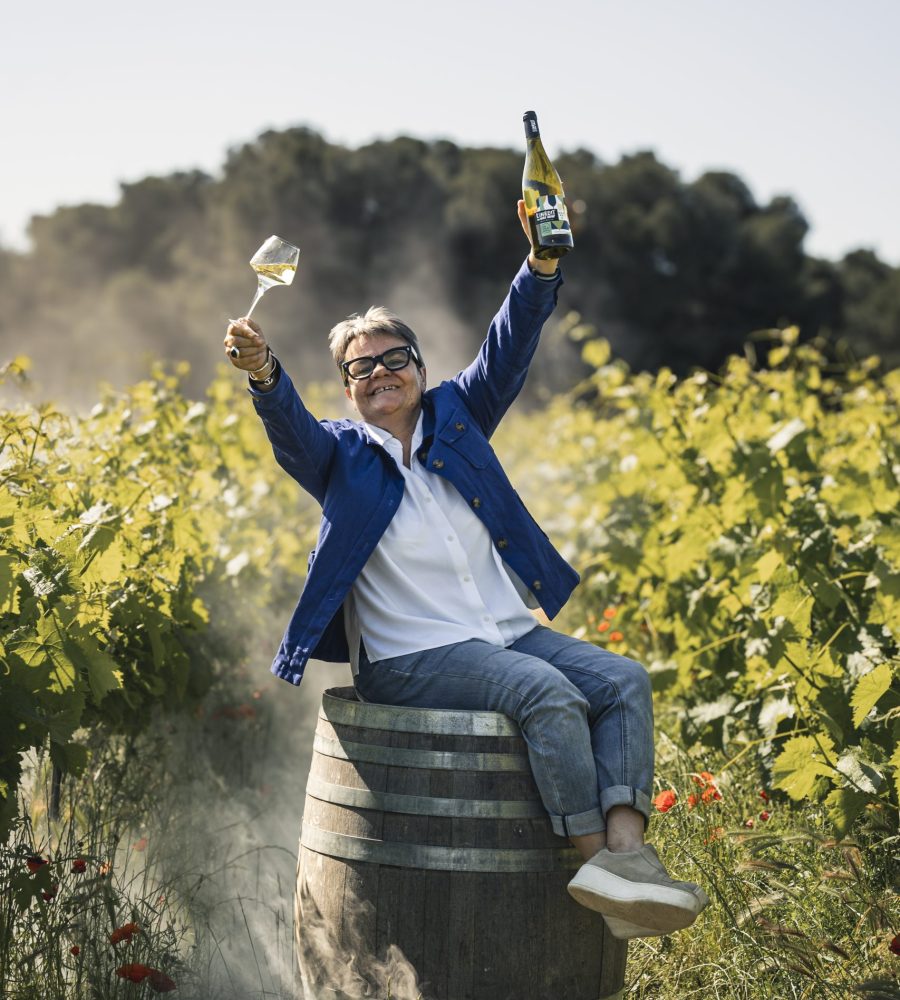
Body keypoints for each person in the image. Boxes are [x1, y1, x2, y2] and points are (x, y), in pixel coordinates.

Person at [223, 202, 709, 940]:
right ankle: (600, 872)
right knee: (546, 694)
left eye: (394, 359)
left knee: (621, 681)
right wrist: (264, 372)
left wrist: (541, 264)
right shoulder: (338, 457)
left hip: (502, 634)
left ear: (419, 367)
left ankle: (627, 857)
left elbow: (508, 346)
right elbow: (287, 423)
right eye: (361, 368)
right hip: (410, 656)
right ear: (348, 389)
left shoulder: (459, 417)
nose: (380, 373)